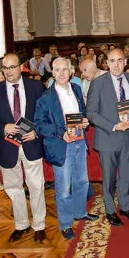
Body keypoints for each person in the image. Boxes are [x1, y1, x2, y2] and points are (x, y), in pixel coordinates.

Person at [0, 53, 46, 243]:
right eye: (5, 68)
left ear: (21, 67)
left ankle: (39, 225)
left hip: (31, 144)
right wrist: (3, 128)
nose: (8, 71)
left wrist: (37, 132)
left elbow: (45, 114)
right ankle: (21, 224)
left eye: (12, 67)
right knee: (13, 187)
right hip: (6, 147)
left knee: (36, 186)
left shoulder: (36, 87)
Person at [34, 58, 98, 240]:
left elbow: (82, 112)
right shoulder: (46, 98)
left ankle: (80, 212)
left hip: (79, 142)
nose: (61, 73)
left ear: (71, 72)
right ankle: (66, 224)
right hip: (61, 146)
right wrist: (61, 133)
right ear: (52, 73)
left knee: (82, 182)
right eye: (57, 70)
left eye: (65, 70)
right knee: (63, 189)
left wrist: (85, 121)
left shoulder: (77, 89)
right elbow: (39, 124)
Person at [86, 48, 129, 226]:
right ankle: (110, 210)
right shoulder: (98, 83)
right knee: (109, 178)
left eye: (120, 60)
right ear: (106, 63)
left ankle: (125, 207)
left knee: (125, 176)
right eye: (112, 61)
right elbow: (91, 113)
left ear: (125, 61)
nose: (116, 65)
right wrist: (113, 126)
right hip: (108, 138)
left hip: (128, 137)